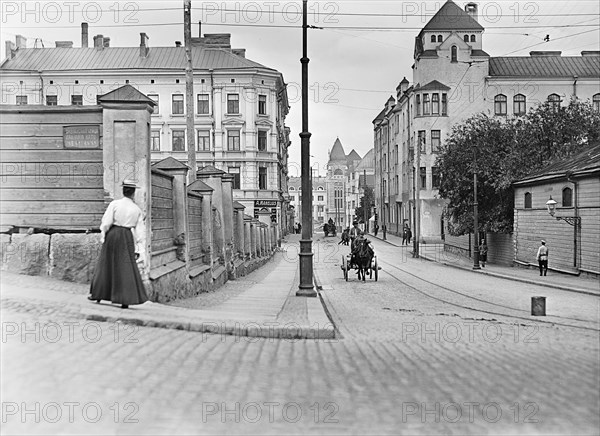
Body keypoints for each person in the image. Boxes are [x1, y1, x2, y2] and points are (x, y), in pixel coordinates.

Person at [89, 180, 148, 309]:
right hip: (127, 236)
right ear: (133, 193)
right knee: (125, 266)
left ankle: (98, 294)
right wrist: (140, 248)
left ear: (123, 191)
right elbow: (140, 231)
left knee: (106, 263)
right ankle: (124, 299)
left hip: (113, 233)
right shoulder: (136, 209)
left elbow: (107, 221)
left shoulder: (114, 204)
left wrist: (104, 234)